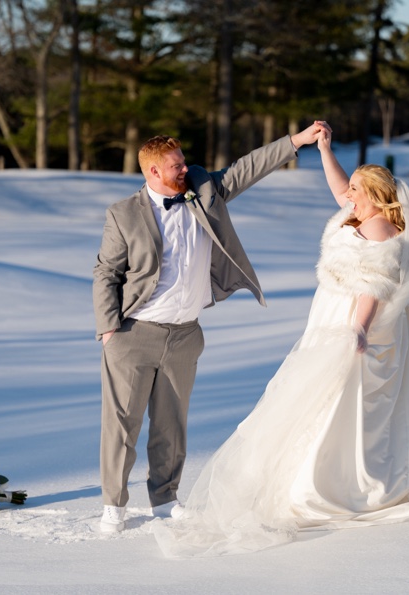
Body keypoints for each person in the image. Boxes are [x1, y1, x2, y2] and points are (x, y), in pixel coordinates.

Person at [151, 123, 409, 557]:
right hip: (329, 315)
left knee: (346, 400)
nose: (346, 193)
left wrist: (359, 331)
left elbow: (373, 287)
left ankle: (345, 481)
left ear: (373, 194)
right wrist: (325, 149)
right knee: (313, 398)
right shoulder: (358, 215)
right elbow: (338, 191)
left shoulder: (380, 231)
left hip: (356, 321)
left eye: (355, 188)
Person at [91, 123, 329, 533]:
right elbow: (106, 272)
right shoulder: (123, 214)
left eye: (183, 162)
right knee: (122, 425)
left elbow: (247, 168)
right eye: (175, 166)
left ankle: (164, 499)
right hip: (134, 334)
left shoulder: (204, 191)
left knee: (171, 425)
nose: (185, 169)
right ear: (152, 172)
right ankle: (114, 505)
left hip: (184, 334)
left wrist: (296, 142)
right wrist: (109, 329)